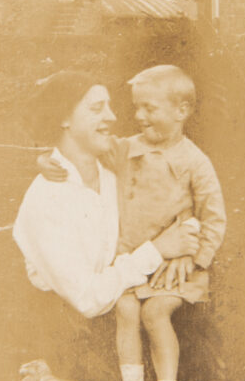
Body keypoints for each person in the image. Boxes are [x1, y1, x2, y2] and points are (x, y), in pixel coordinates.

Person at [38, 65, 226, 381]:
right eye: (136, 108)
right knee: (125, 309)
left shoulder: (195, 162)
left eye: (149, 109)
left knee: (156, 313)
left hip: (173, 268)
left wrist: (195, 258)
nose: (138, 117)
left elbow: (214, 217)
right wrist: (47, 159)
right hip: (131, 260)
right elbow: (81, 151)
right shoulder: (126, 148)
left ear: (182, 110)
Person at [13, 70, 201, 335]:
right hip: (66, 335)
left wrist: (184, 245)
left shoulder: (117, 173)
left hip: (128, 320)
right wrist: (158, 251)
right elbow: (88, 300)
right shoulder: (45, 201)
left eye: (109, 107)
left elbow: (178, 198)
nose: (112, 117)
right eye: (96, 108)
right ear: (64, 118)